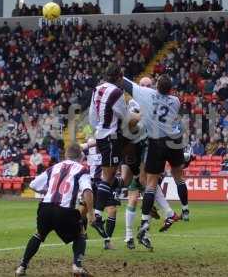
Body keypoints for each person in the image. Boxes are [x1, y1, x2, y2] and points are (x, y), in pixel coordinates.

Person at [123, 74, 189, 249]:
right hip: (134, 149)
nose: (146, 87)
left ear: (153, 86)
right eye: (143, 84)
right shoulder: (133, 103)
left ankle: (141, 233)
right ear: (139, 86)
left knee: (146, 189)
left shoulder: (151, 98)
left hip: (150, 149)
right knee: (132, 185)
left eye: (149, 84)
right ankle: (133, 233)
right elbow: (130, 124)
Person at [15, 144, 94, 277]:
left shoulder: (54, 167)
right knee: (80, 233)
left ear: (66, 155)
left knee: (39, 234)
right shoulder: (82, 169)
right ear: (80, 157)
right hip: (64, 210)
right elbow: (87, 190)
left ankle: (22, 267)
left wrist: (49, 191)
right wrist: (91, 213)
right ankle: (77, 266)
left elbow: (33, 184)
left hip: (45, 208)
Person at [88, 64, 139, 238]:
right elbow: (125, 118)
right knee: (107, 177)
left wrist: (100, 129)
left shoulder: (97, 89)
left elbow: (92, 117)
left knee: (109, 177)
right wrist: (138, 117)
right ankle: (96, 215)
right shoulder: (117, 92)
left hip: (102, 135)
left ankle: (98, 209)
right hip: (112, 137)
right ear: (119, 77)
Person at [80, 138, 119, 250]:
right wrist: (90, 143)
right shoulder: (90, 148)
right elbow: (77, 148)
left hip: (105, 183)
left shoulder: (109, 148)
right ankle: (83, 234)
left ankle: (107, 241)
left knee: (112, 210)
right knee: (82, 212)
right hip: (92, 183)